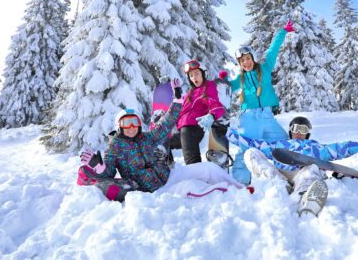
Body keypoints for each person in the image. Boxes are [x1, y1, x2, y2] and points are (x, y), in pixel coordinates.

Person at [77, 79, 247, 202]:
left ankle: (242, 189)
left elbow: (166, 124)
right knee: (192, 188)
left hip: (171, 174)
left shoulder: (147, 138)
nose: (131, 127)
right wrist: (98, 166)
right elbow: (108, 174)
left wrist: (178, 100)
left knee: (209, 169)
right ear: (119, 126)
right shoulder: (115, 148)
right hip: (156, 189)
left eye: (134, 122)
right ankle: (224, 194)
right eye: (126, 123)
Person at [227, 116, 358, 216]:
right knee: (251, 152)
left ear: (308, 132)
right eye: (295, 128)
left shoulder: (317, 148)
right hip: (278, 174)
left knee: (312, 168)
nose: (299, 131)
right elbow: (250, 142)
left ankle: (304, 196)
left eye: (303, 128)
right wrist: (226, 132)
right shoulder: (279, 143)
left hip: (302, 174)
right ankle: (280, 187)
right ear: (290, 130)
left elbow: (345, 147)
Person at [218, 19, 296, 184]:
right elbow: (229, 88)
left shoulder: (265, 68)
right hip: (249, 117)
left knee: (284, 144)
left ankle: (291, 174)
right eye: (242, 61)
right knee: (246, 148)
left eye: (247, 58)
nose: (246, 62)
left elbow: (273, 49)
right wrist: (224, 81)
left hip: (267, 116)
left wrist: (283, 31)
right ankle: (240, 182)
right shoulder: (241, 78)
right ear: (239, 64)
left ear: (252, 58)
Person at [174, 59, 226, 165]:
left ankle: (195, 173)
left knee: (186, 134)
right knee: (165, 142)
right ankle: (169, 168)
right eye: (191, 75)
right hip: (183, 130)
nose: (194, 77)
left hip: (195, 128)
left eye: (197, 73)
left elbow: (217, 106)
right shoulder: (189, 93)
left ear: (203, 74)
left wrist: (211, 115)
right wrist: (177, 98)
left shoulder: (208, 87)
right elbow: (181, 112)